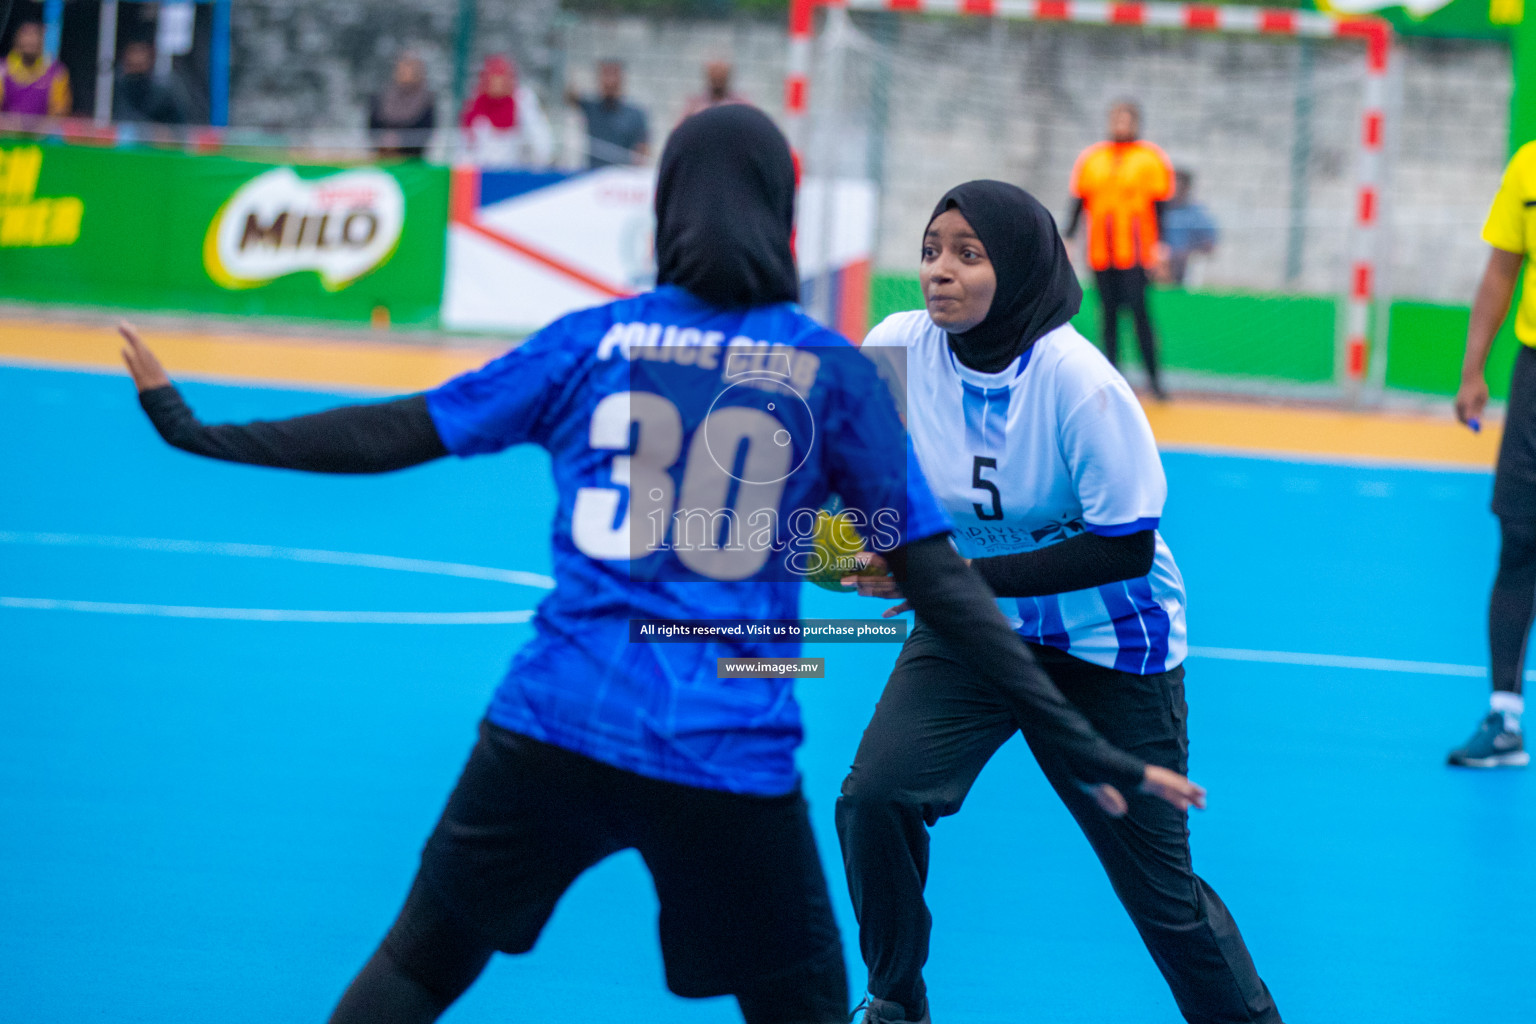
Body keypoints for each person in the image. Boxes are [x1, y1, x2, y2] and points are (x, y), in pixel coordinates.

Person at [116, 107, 1202, 1024]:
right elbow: (946, 592)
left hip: (549, 723)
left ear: (666, 205)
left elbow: (400, 430)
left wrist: (196, 430)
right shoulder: (828, 368)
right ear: (783, 213)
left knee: (414, 963)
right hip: (720, 747)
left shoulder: (593, 341)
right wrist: (1075, 736)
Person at [838, 181, 1279, 1024]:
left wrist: (953, 578)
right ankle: (896, 1000)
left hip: (1109, 645)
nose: (941, 271)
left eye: (969, 254)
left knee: (1163, 901)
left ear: (1021, 267)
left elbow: (1125, 545)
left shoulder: (1081, 384)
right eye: (932, 250)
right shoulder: (895, 350)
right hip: (974, 631)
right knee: (876, 798)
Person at [1449, 138, 1536, 769]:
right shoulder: (1528, 164)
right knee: (1520, 538)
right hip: (1534, 376)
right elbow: (1503, 268)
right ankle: (1504, 717)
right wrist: (1472, 368)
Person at [1065, 100, 1174, 400]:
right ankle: (1111, 380)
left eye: (1126, 119)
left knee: (1139, 314)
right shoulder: (1092, 158)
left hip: (1136, 253)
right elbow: (1079, 201)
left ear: (1135, 122)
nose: (1120, 124)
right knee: (1108, 316)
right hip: (1101, 253)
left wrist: (1161, 246)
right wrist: (1069, 237)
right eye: (1116, 118)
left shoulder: (1150, 158)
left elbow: (1160, 205)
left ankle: (1155, 381)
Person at [459, 55, 553, 168]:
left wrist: (539, 162)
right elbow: (465, 143)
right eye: (493, 80)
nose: (497, 85)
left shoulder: (522, 101)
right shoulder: (476, 104)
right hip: (482, 172)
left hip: (513, 169)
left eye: (501, 80)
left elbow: (539, 137)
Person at [564, 58, 649, 169]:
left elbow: (642, 151)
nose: (609, 81)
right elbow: (569, 96)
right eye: (605, 75)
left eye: (613, 75)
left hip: (622, 178)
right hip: (594, 177)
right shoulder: (591, 107)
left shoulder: (636, 114)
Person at [369, 53, 436, 160]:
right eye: (402, 69)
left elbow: (425, 131)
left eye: (410, 69)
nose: (405, 73)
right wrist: (384, 140)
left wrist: (401, 142)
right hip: (382, 157)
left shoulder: (426, 99)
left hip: (412, 160)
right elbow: (372, 126)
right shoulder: (383, 95)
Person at [1159, 169, 1218, 287]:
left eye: (1177, 187)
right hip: (1158, 260)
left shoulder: (1196, 215)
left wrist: (1187, 251)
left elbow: (1209, 244)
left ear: (1186, 188)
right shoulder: (1159, 212)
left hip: (1183, 261)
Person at [0, 21, 72, 117]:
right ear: (16, 40)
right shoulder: (3, 69)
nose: (30, 40)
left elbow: (60, 112)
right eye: (26, 34)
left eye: (34, 35)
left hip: (43, 130)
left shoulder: (57, 72)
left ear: (42, 40)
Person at [112, 41, 187, 125]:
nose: (137, 58)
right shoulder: (114, 91)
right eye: (131, 65)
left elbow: (177, 126)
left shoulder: (162, 95)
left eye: (139, 65)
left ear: (150, 61)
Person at [680, 59, 746, 119]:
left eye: (721, 74)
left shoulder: (741, 104)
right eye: (714, 73)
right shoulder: (694, 106)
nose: (718, 77)